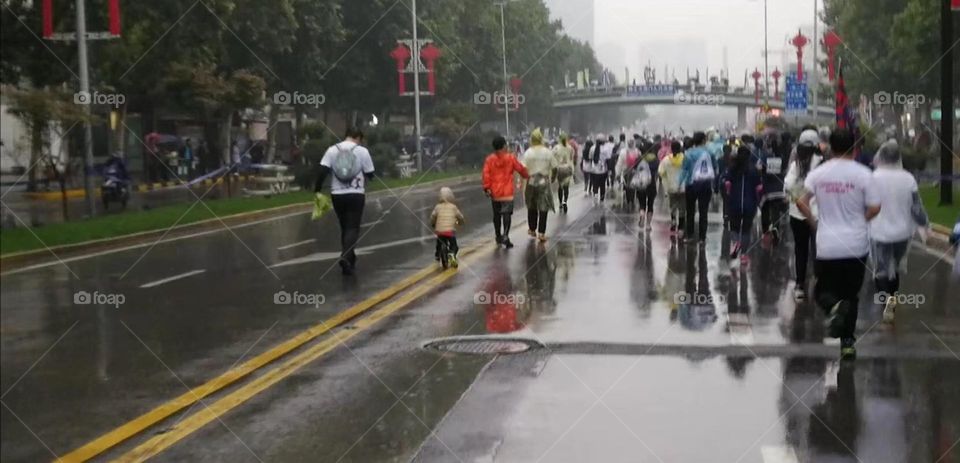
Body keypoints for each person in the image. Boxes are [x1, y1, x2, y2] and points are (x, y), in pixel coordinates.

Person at [797, 127, 881, 359]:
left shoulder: (819, 173)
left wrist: (814, 222)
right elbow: (875, 207)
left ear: (830, 148)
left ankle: (833, 308)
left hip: (828, 244)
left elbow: (802, 202)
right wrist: (860, 221)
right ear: (854, 147)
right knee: (850, 295)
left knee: (821, 291)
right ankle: (848, 344)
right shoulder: (864, 174)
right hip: (856, 245)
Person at [869, 140, 929, 323]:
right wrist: (925, 225)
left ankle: (886, 301)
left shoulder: (873, 178)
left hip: (879, 231)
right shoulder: (908, 178)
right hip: (903, 233)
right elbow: (916, 208)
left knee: (881, 269)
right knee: (894, 266)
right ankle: (893, 299)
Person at [315, 127, 376, 275]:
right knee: (352, 228)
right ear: (358, 137)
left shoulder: (332, 150)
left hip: (337, 195)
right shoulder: (362, 151)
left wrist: (317, 190)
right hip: (356, 194)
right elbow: (370, 174)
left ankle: (350, 258)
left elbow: (322, 171)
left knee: (344, 227)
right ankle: (345, 256)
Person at [784, 129, 824, 302]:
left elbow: (788, 186)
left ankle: (800, 285)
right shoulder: (824, 164)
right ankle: (820, 283)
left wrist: (800, 196)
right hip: (817, 215)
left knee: (800, 250)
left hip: (797, 214)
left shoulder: (796, 165)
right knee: (819, 250)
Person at [482, 135, 529, 248]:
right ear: (503, 146)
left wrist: (487, 188)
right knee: (507, 214)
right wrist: (527, 175)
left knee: (496, 215)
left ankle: (498, 236)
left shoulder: (489, 160)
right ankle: (506, 235)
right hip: (507, 192)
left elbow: (486, 174)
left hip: (495, 193)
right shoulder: (510, 158)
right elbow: (520, 169)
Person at [722, 145, 763, 268]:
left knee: (734, 227)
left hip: (734, 203)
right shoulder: (754, 170)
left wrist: (729, 193)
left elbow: (727, 184)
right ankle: (744, 255)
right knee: (746, 230)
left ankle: (735, 245)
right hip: (750, 204)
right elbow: (759, 187)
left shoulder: (732, 169)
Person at [678, 131, 717, 243]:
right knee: (703, 212)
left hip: (691, 185)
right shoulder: (710, 153)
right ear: (704, 140)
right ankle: (702, 238)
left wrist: (679, 183)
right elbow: (714, 167)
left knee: (690, 211)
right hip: (705, 185)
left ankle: (690, 235)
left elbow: (684, 170)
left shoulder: (688, 153)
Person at [522, 129, 558, 242]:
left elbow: (523, 167)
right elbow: (555, 167)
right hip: (543, 181)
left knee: (531, 204)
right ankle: (541, 233)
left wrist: (525, 180)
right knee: (543, 207)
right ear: (541, 139)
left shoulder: (528, 152)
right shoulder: (548, 152)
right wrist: (553, 178)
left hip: (531, 180)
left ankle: (532, 229)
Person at [759, 131, 789, 245]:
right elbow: (785, 171)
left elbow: (760, 168)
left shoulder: (765, 156)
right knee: (776, 210)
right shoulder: (782, 157)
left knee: (765, 209)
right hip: (779, 188)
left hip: (767, 188)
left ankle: (765, 230)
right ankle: (776, 228)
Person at [431, 187, 465, 267]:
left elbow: (433, 217)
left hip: (439, 231)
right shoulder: (453, 207)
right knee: (454, 246)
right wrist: (461, 222)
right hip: (450, 231)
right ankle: (452, 253)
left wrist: (433, 224)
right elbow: (460, 217)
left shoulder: (437, 207)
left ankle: (437, 255)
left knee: (439, 243)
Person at [659, 140, 686, 238]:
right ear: (680, 149)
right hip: (682, 188)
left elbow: (661, 172)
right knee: (682, 208)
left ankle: (673, 222)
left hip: (671, 188)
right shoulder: (684, 158)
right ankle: (681, 228)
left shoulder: (666, 160)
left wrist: (666, 182)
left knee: (673, 206)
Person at [637, 144, 659, 230]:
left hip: (642, 183)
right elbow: (658, 172)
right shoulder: (656, 159)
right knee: (650, 204)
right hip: (651, 183)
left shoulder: (639, 159)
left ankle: (642, 215)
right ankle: (648, 225)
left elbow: (634, 169)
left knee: (642, 204)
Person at [616, 139, 642, 211]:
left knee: (627, 186)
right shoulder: (637, 152)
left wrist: (618, 173)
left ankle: (628, 200)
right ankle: (632, 199)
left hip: (626, 171)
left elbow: (619, 163)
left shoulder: (623, 152)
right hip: (634, 171)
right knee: (633, 186)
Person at [553, 133, 575, 213]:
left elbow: (553, 157)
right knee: (566, 187)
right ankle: (565, 201)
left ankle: (560, 203)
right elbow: (572, 157)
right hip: (568, 169)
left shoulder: (556, 148)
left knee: (560, 186)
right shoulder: (570, 148)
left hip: (559, 169)